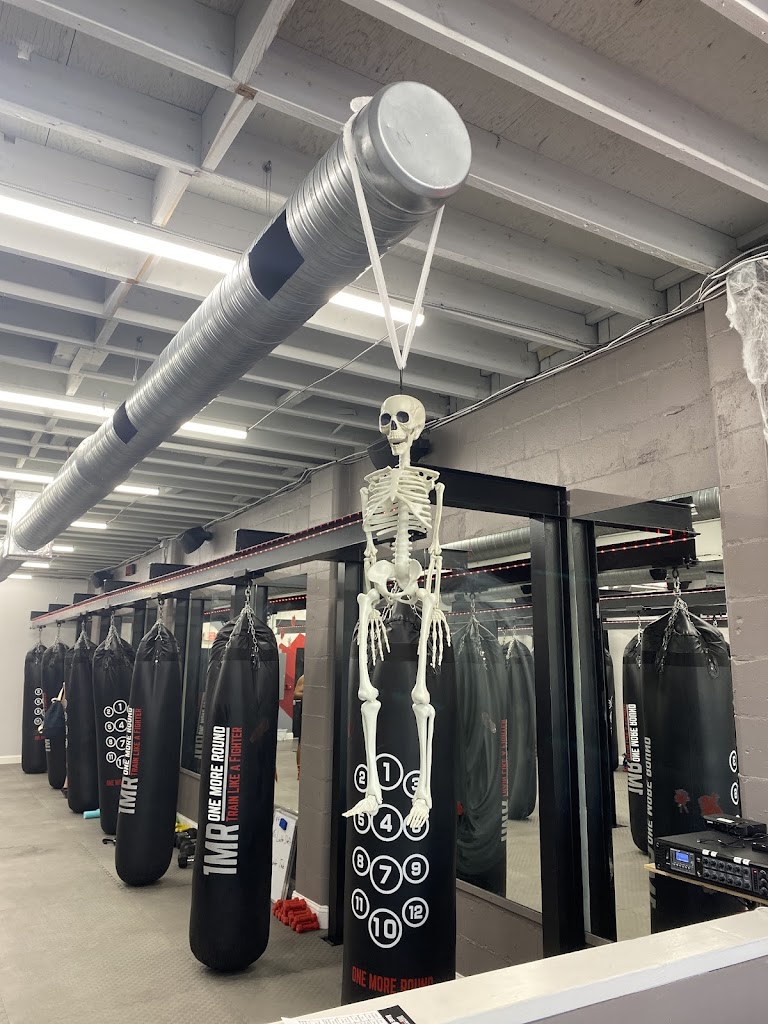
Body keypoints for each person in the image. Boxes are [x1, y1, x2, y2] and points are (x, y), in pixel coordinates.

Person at [294, 674, 304, 779]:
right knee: (302, 741)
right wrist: (310, 694)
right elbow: (296, 693)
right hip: (306, 714)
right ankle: (299, 769)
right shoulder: (304, 678)